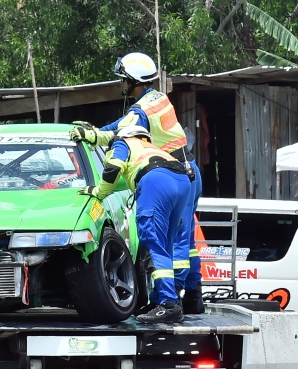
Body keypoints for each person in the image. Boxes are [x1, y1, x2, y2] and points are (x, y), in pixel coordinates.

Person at [70, 52, 205, 314]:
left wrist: (93, 135)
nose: (121, 84)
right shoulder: (159, 98)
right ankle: (193, 296)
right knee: (186, 241)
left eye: (123, 79)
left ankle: (169, 300)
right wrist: (97, 131)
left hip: (166, 173)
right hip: (188, 171)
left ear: (133, 81)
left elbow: (121, 132)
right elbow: (124, 125)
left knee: (169, 240)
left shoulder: (139, 110)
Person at [77, 125, 191, 322]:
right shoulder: (152, 149)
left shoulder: (124, 143)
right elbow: (123, 181)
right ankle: (159, 300)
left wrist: (98, 193)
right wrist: (103, 187)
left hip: (156, 181)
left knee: (154, 243)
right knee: (165, 246)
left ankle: (169, 305)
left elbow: (113, 168)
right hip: (182, 181)